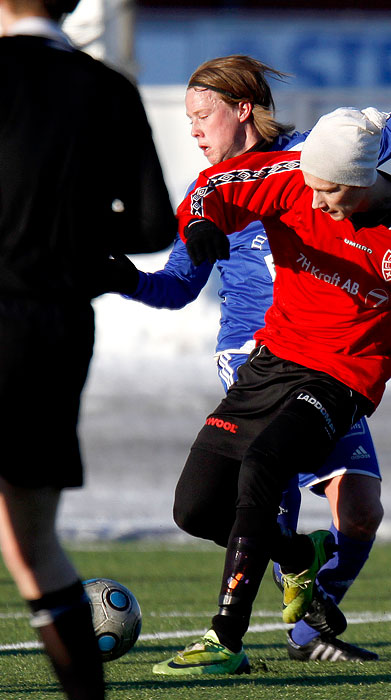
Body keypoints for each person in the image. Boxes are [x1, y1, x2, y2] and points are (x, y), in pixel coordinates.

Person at [151, 105, 391, 677]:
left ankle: (224, 640)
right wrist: (201, 224)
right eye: (309, 186)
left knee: (265, 465)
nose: (313, 202)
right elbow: (215, 186)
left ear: (361, 181)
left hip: (342, 379)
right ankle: (298, 555)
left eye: (328, 192)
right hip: (272, 361)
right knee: (194, 509)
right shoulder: (295, 180)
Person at [106, 27, 391, 664]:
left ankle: (306, 608)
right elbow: (178, 288)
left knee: (360, 509)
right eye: (188, 119)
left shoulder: (312, 159)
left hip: (331, 357)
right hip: (254, 354)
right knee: (268, 494)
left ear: (244, 108)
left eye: (202, 114)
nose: (193, 130)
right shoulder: (212, 195)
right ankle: (253, 635)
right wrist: (125, 277)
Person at [0, 1, 175, 698]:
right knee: (34, 540)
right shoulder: (107, 89)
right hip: (55, 327)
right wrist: (78, 247)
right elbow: (152, 224)